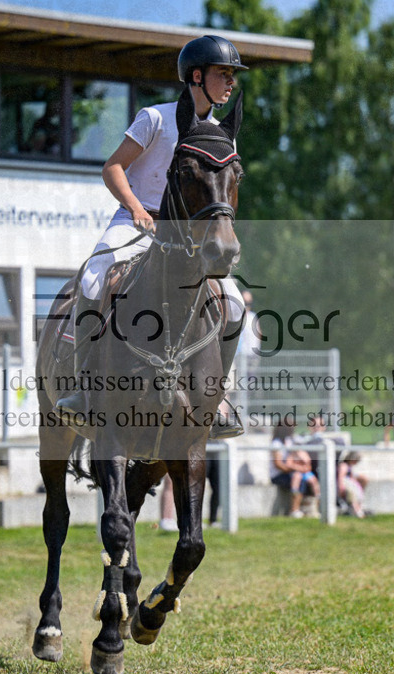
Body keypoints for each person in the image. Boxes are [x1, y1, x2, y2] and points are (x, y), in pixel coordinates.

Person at [56, 35, 249, 440]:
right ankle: (82, 391)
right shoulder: (155, 118)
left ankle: (215, 399)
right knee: (94, 276)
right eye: (223, 74)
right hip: (137, 221)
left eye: (232, 76)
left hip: (188, 233)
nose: (230, 83)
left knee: (232, 303)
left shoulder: (220, 133)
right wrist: (137, 209)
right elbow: (113, 168)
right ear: (196, 76)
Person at [269, 423, 320, 518]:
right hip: (279, 475)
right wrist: (296, 468)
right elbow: (278, 465)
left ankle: (312, 509)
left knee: (311, 480)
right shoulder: (276, 443)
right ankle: (294, 509)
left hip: (291, 471)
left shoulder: (289, 441)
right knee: (298, 479)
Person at [337, 450, 369, 518]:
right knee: (353, 495)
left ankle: (358, 510)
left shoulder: (349, 466)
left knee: (357, 494)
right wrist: (341, 487)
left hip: (350, 484)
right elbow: (341, 477)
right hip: (346, 484)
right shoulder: (344, 466)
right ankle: (357, 512)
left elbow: (351, 477)